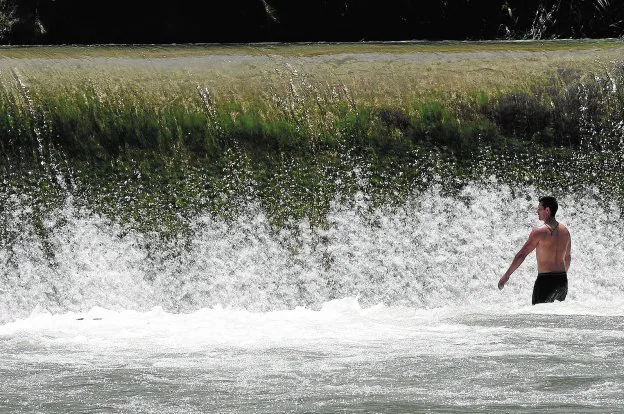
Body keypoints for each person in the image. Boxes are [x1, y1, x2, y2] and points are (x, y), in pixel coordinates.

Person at [498, 196, 571, 304]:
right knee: (556, 318)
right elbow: (567, 257)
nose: (537, 211)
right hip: (562, 280)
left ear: (547, 210)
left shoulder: (539, 232)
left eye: (539, 208)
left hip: (545, 280)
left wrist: (507, 275)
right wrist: (561, 278)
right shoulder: (565, 231)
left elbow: (522, 254)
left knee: (540, 317)